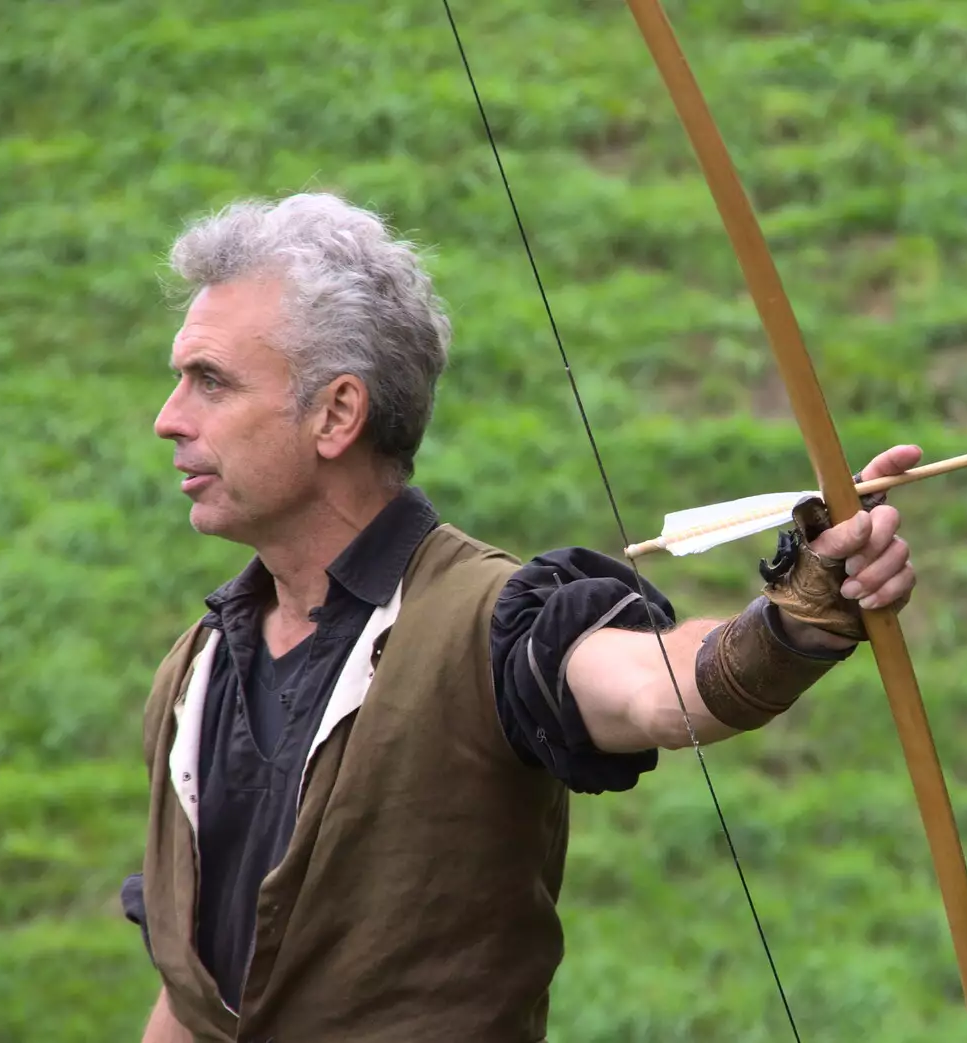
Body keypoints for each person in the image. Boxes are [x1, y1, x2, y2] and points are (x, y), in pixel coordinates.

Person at [120, 192, 920, 1043]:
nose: (170, 418)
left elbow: (658, 687)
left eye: (210, 380)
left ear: (337, 415)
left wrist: (798, 614)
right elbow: (193, 994)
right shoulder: (195, 669)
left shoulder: (491, 622)